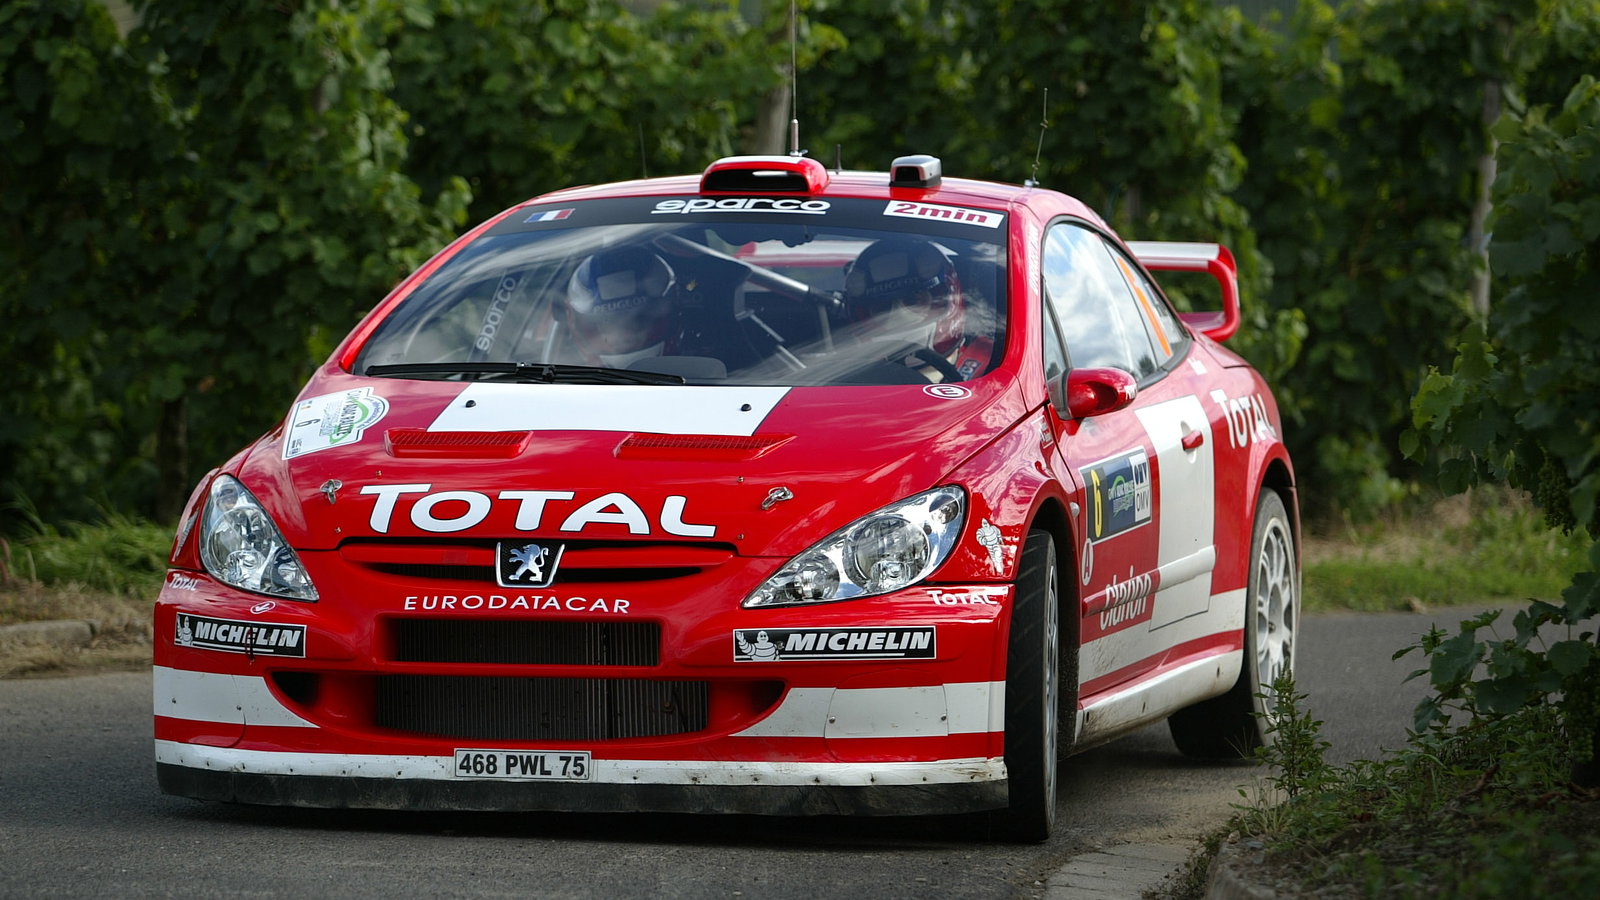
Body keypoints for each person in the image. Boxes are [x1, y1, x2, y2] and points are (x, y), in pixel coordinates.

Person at [842, 237, 992, 379]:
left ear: (948, 298)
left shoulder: (994, 362)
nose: (899, 316)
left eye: (913, 301)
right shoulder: (844, 374)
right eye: (882, 307)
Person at [564, 246, 680, 366]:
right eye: (606, 322)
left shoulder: (698, 366)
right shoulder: (557, 375)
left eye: (640, 320)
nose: (625, 337)